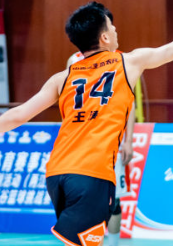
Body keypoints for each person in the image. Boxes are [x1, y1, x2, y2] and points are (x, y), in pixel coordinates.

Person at [0, 0, 173, 246]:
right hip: (91, 175)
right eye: (111, 26)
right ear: (105, 37)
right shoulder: (128, 62)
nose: (116, 30)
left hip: (57, 174)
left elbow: (20, 114)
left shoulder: (62, 78)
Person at [66, 51, 136, 246]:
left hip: (111, 142)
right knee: (82, 198)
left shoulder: (122, 60)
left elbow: (129, 103)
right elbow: (68, 100)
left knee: (113, 200)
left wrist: (129, 140)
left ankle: (112, 243)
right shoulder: (74, 60)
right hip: (82, 142)